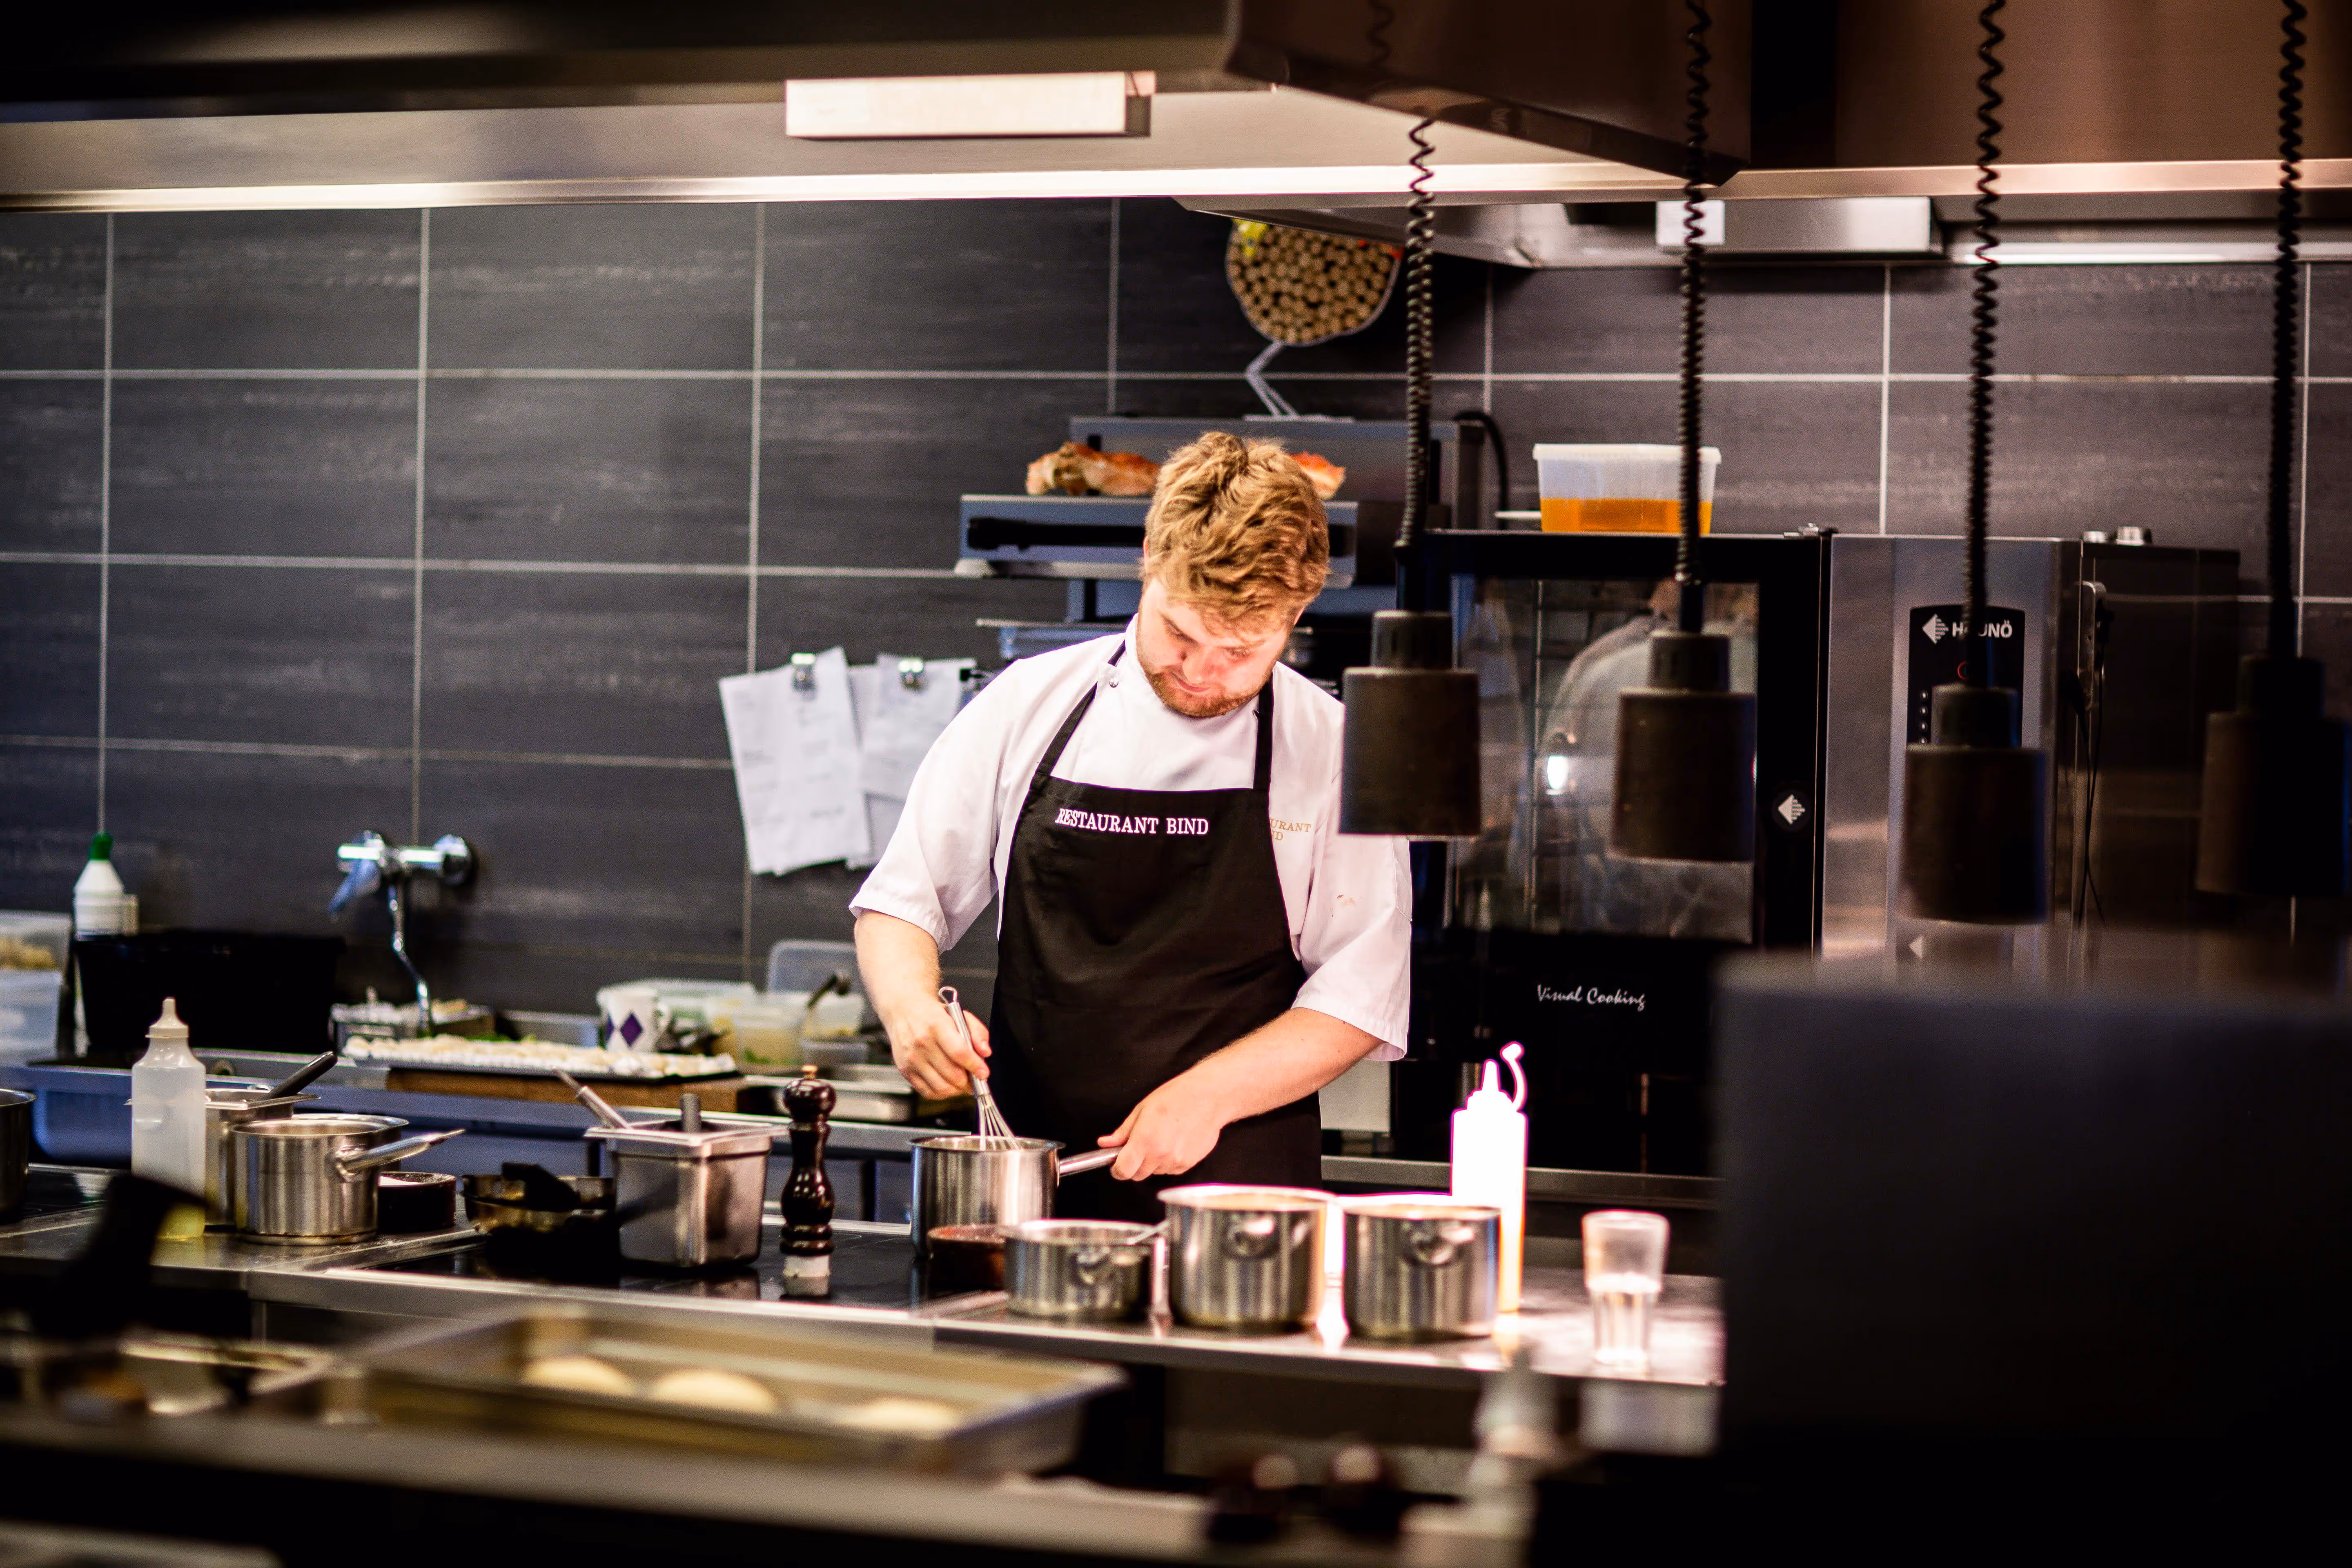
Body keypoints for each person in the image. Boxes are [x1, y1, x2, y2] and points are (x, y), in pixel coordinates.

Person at [850, 432, 1411, 1220]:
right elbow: (903, 902)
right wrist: (910, 1008)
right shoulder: (1028, 706)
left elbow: (1361, 995)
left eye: (1241, 650)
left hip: (1237, 1211)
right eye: (1181, 633)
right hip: (1030, 1195)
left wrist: (1209, 1095)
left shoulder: (1331, 749)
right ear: (1149, 556)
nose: (1203, 671)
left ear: (1297, 611)